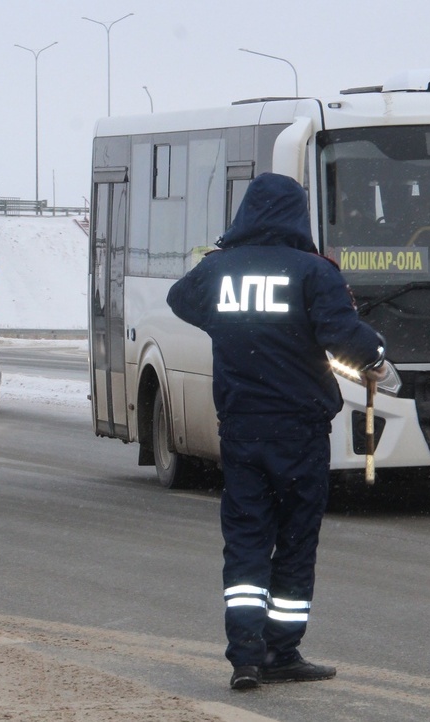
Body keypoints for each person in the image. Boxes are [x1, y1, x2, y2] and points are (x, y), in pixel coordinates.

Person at [166, 173, 384, 691]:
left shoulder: (218, 270)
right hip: (299, 431)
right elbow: (342, 335)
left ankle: (244, 657)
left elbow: (180, 299)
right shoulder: (313, 271)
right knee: (294, 541)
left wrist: (232, 321)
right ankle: (281, 652)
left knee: (244, 540)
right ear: (296, 215)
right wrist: (375, 353)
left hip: (241, 430)